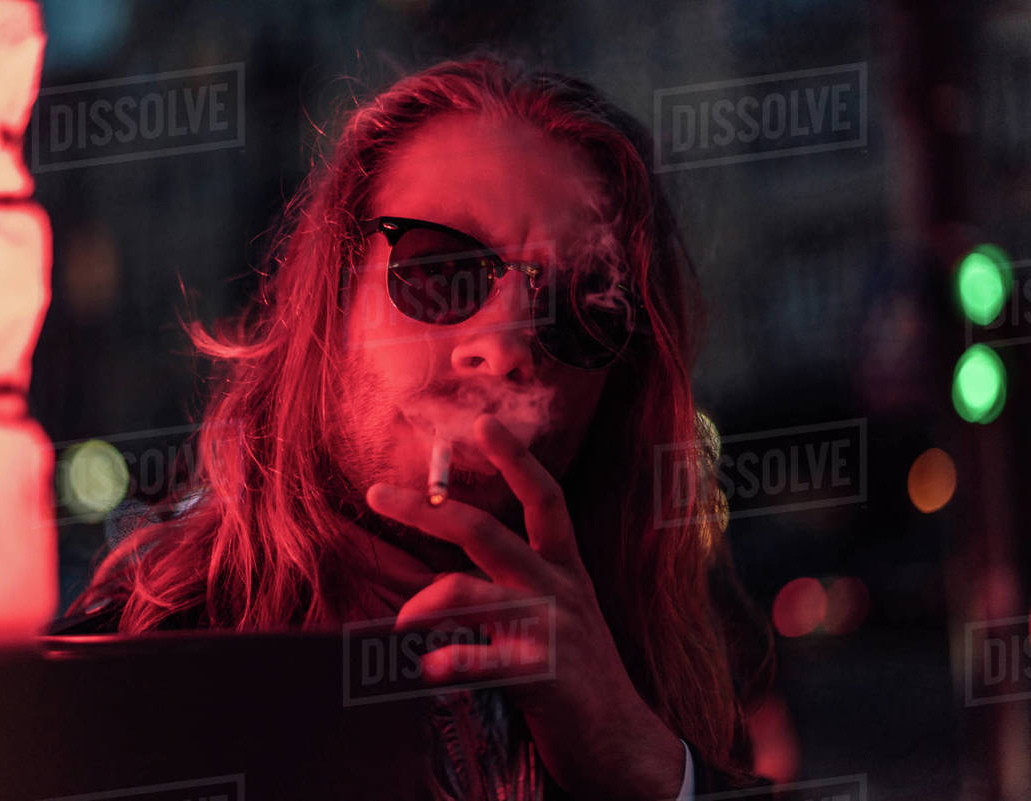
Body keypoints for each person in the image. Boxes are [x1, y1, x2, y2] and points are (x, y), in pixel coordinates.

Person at [52, 52, 774, 801]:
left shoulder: (659, 692)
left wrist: (648, 768)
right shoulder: (124, 683)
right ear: (333, 300)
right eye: (441, 267)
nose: (503, 348)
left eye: (583, 307)